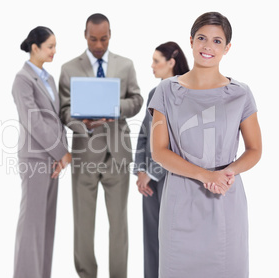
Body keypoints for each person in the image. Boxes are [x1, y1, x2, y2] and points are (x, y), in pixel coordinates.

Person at [149, 12, 262, 278]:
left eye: (216, 41)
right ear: (190, 41)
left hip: (224, 197)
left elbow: (255, 149)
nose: (207, 47)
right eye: (201, 38)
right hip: (181, 200)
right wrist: (204, 174)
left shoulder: (240, 93)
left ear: (227, 48)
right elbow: (159, 151)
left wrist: (226, 173)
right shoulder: (166, 91)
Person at [59, 13, 143, 278]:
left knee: (118, 223)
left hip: (117, 153)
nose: (98, 44)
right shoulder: (69, 68)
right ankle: (86, 275)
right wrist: (82, 124)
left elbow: (138, 100)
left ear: (110, 35)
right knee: (83, 223)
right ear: (85, 35)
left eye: (103, 39)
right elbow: (63, 110)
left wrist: (115, 109)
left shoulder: (126, 65)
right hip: (85, 153)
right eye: (93, 39)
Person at [11, 26, 72, 278]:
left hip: (52, 159)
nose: (54, 51)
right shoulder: (22, 80)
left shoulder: (47, 77)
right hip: (36, 158)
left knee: (46, 226)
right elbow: (33, 121)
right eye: (50, 46)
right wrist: (61, 152)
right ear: (35, 48)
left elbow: (55, 119)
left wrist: (62, 153)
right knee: (32, 225)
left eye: (55, 46)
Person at [133, 41, 189, 278]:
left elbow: (178, 142)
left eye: (156, 61)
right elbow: (145, 135)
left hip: (176, 178)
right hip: (150, 183)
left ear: (171, 63)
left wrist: (152, 172)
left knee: (176, 240)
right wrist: (141, 171)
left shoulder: (187, 93)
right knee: (152, 237)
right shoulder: (154, 94)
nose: (152, 66)